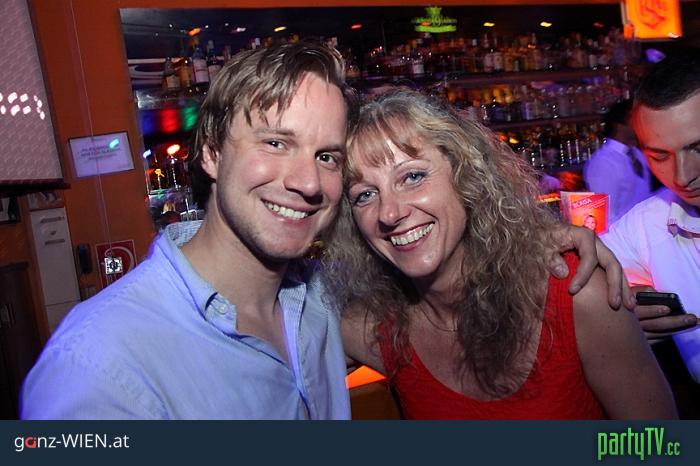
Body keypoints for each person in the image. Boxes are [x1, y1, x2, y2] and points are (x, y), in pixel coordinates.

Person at [21, 42, 630, 420]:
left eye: (327, 156)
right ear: (210, 153)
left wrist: (545, 243)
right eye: (275, 143)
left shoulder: (319, 305)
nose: (307, 181)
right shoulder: (99, 365)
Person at [324, 89, 676, 419]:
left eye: (413, 176)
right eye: (364, 195)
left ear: (466, 176)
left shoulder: (574, 291)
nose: (389, 213)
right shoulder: (372, 329)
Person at [601, 48, 700, 381]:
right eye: (659, 156)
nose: (683, 176)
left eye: (699, 148)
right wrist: (620, 321)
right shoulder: (648, 223)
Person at [584, 100, 654, 224]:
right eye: (635, 119)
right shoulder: (603, 163)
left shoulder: (637, 154)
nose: (642, 124)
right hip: (625, 232)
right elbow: (606, 214)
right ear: (619, 125)